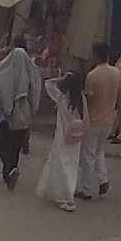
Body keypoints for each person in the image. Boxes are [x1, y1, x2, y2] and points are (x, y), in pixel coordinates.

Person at [0, 37, 42, 190]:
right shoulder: (32, 71)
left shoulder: (5, 69)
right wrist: (33, 109)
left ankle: (9, 168)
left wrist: (2, 106)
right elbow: (36, 91)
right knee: (16, 146)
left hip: (8, 116)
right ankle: (11, 169)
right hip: (24, 116)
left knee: (1, 141)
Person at [36, 71, 87, 211]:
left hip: (62, 137)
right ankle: (68, 194)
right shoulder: (81, 99)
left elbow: (48, 83)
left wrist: (61, 78)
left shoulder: (62, 98)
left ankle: (65, 198)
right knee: (72, 166)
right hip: (76, 138)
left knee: (61, 166)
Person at [79, 42, 121, 200]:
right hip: (109, 120)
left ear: (96, 55)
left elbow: (88, 99)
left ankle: (87, 190)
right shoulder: (116, 73)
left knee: (88, 155)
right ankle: (103, 179)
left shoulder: (92, 76)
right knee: (99, 151)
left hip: (93, 121)